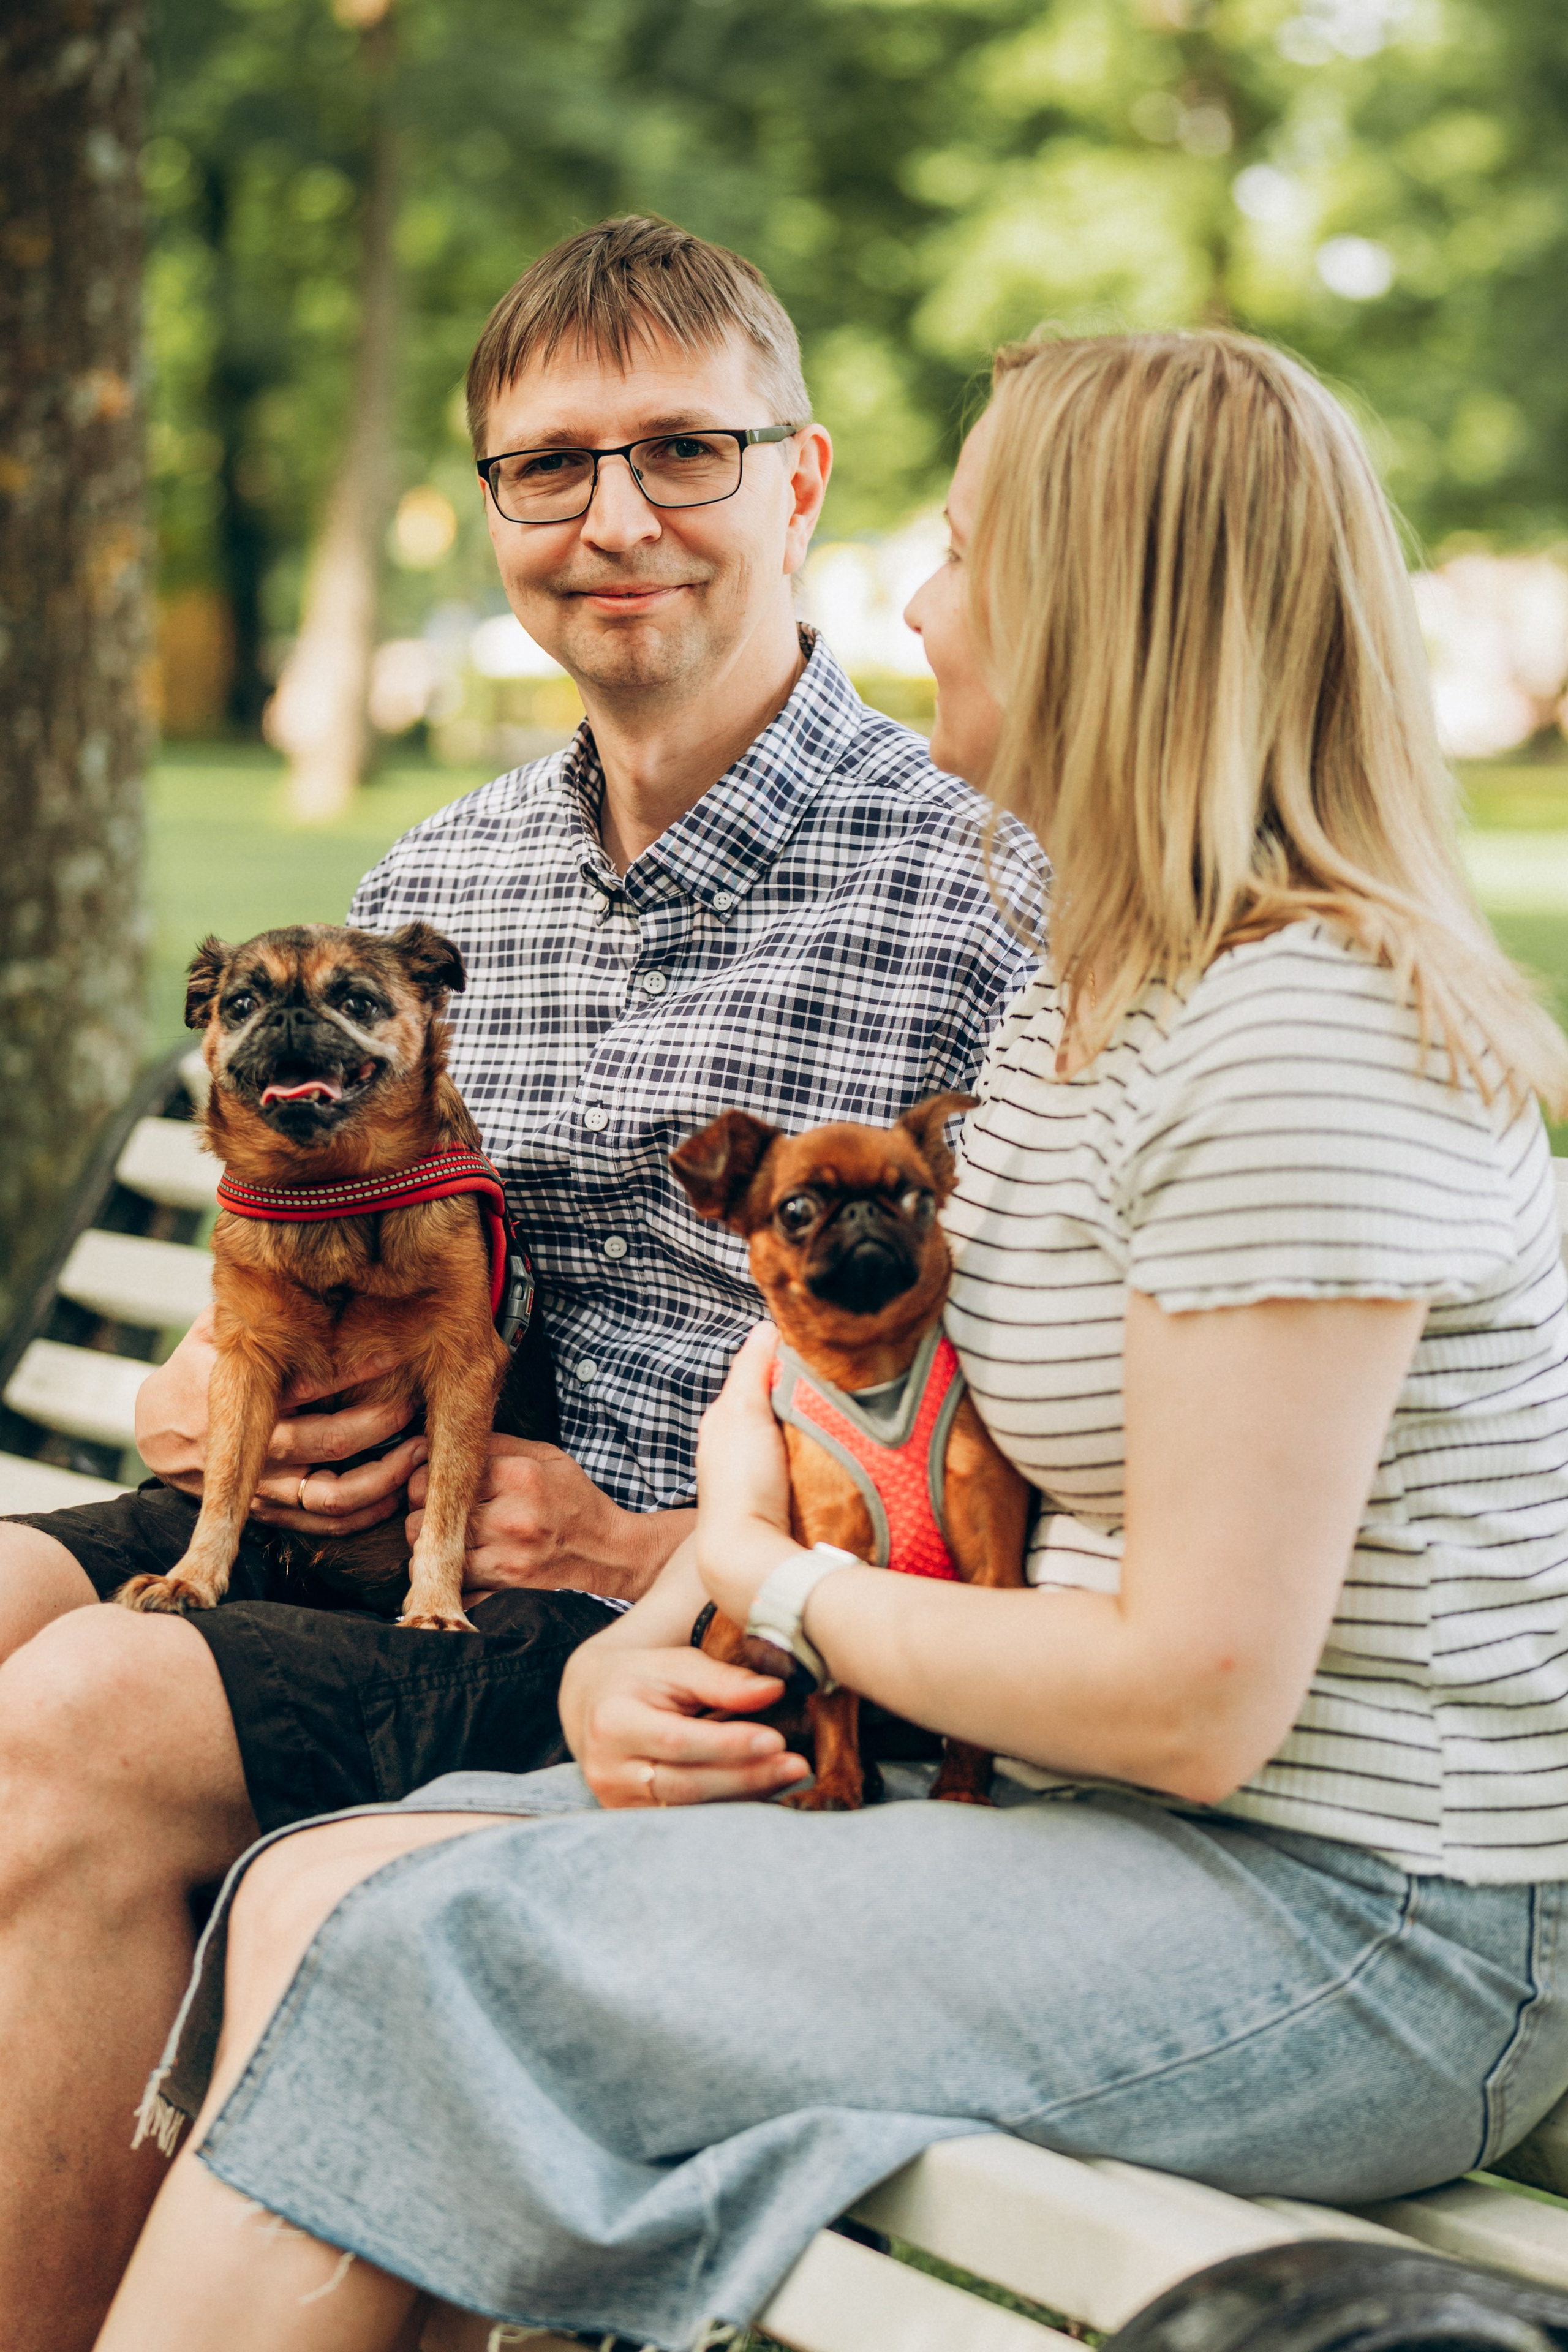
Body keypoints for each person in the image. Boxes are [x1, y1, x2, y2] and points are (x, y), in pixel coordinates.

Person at [92, 325, 1568, 2352]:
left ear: (1097, 608)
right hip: (1097, 1826)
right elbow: (847, 1384)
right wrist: (641, 1639)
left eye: (962, 550)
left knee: (440, 1952)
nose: (915, 597)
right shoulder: (1098, 991)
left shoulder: (1299, 1036)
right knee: (320, 1889)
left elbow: (1196, 1701)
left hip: (1360, 1918)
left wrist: (774, 1597)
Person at [0, 216, 1040, 2352]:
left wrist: (674, 1537)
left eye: (682, 451)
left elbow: (1041, 1450)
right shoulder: (442, 879)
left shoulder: (982, 894)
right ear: (493, 508)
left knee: (82, 1720)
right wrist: (206, 1387)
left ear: (802, 481)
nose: (614, 517)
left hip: (651, 1628)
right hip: (353, 1518)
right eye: (549, 467)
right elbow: (308, 1233)